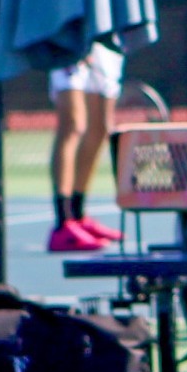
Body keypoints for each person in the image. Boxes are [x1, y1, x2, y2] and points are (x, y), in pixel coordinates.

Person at [46, 42, 125, 252]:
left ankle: (78, 215)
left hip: (104, 38)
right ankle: (63, 223)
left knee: (100, 127)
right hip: (72, 33)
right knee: (73, 124)